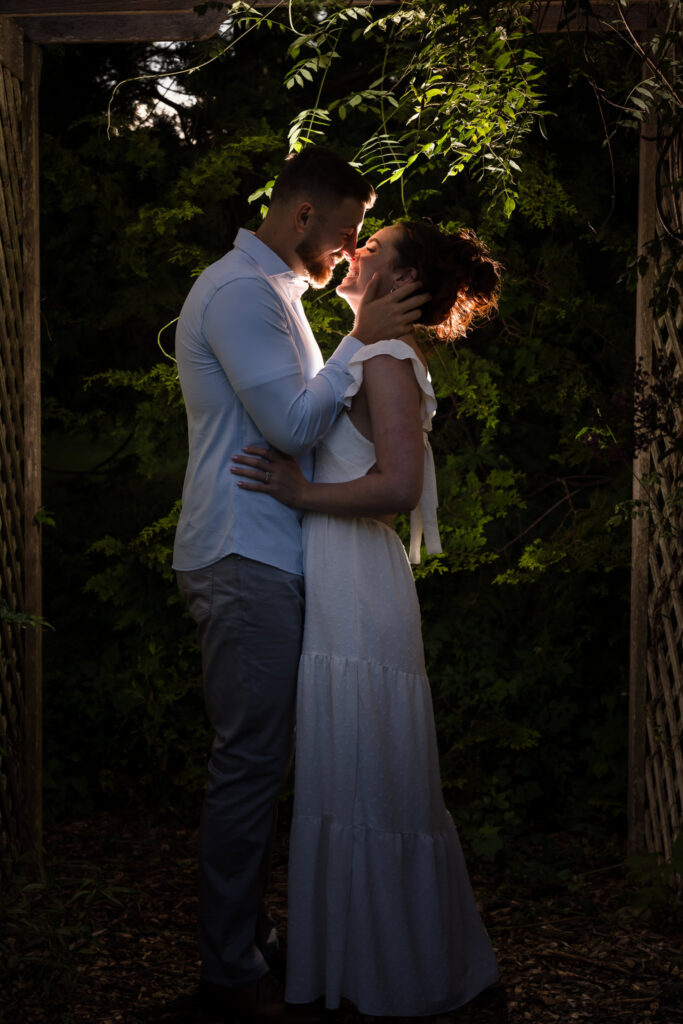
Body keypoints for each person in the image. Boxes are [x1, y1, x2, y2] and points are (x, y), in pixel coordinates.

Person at [172, 148, 428, 1023]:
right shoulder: (244, 295)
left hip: (276, 553)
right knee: (249, 765)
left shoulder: (278, 296)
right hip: (246, 553)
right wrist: (359, 340)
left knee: (267, 761)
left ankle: (247, 940)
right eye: (349, 227)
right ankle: (229, 973)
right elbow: (287, 425)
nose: (351, 248)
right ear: (305, 216)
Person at [231, 219, 503, 1017]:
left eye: (373, 246)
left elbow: (395, 487)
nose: (354, 251)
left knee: (370, 783)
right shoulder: (368, 351)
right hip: (342, 580)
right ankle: (361, 965)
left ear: (403, 280)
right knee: (349, 779)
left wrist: (298, 492)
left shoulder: (385, 359)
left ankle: (396, 973)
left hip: (359, 587)